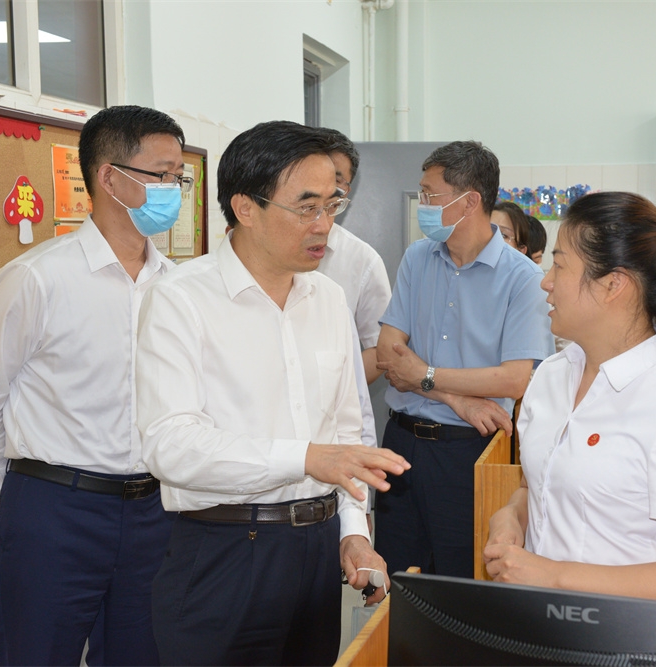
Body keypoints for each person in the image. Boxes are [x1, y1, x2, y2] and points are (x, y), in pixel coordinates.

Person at [135, 120, 409, 666]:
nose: (324, 225)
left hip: (317, 551)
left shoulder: (328, 298)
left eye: (332, 205)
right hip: (225, 552)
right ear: (245, 207)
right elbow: (171, 444)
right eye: (306, 207)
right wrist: (305, 457)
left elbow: (346, 432)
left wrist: (352, 533)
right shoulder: (180, 299)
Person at [0, 105, 187, 665]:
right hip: (54, 511)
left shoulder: (178, 286)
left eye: (181, 177)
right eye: (162, 174)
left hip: (155, 512)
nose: (174, 190)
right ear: (109, 178)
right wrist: (15, 499)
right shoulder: (37, 277)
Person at [484, 191, 656, 606]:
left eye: (559, 265)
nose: (545, 281)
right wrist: (511, 516)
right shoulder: (550, 377)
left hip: (622, 634)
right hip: (540, 622)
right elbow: (538, 487)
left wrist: (554, 576)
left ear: (614, 284)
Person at [375, 141, 554, 579]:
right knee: (395, 579)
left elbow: (514, 380)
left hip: (468, 452)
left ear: (470, 201)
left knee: (459, 580)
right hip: (401, 444)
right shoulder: (418, 258)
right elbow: (388, 354)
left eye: (429, 194)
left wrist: (423, 375)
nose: (423, 204)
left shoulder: (523, 279)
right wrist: (454, 397)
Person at [315, 128, 393, 385]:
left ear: (347, 190)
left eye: (337, 179)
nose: (326, 187)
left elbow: (380, 347)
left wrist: (337, 393)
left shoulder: (363, 260)